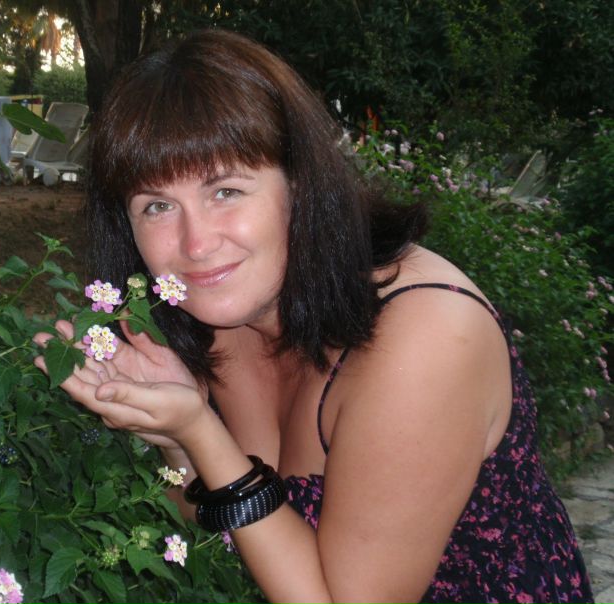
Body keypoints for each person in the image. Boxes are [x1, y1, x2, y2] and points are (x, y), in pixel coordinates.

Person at [33, 29, 593, 604]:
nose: (195, 244)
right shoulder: (223, 313)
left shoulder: (427, 339)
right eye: (157, 206)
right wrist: (177, 441)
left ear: (298, 186)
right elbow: (234, 530)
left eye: (225, 191)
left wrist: (202, 431)